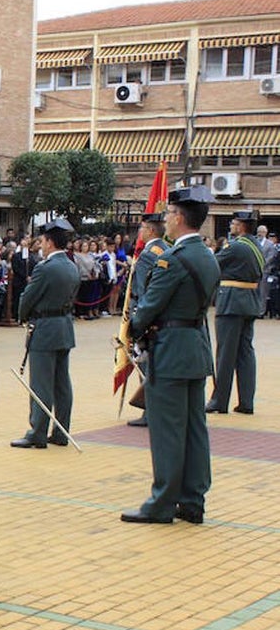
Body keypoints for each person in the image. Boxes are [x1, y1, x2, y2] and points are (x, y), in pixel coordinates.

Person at [122, 186, 220, 525]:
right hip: (195, 347)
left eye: (168, 215)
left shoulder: (172, 259)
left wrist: (133, 327)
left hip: (171, 351)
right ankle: (193, 500)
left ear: (178, 217)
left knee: (167, 430)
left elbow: (149, 306)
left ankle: (162, 503)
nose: (166, 220)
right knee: (194, 428)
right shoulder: (208, 255)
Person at [11, 219, 80, 449]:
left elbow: (28, 298)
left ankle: (37, 432)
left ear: (50, 242)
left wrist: (22, 316)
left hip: (45, 328)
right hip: (65, 327)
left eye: (42, 241)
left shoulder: (45, 267)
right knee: (62, 383)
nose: (40, 245)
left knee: (41, 384)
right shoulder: (71, 265)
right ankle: (62, 431)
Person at [206, 210, 264, 415]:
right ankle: (246, 402)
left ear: (241, 226)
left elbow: (211, 263)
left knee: (225, 354)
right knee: (245, 354)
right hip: (249, 302)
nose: (231, 225)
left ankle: (219, 401)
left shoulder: (236, 246)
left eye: (233, 223)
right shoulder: (256, 245)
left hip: (231, 302)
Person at [125, 213, 169, 428]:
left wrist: (138, 322)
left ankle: (149, 412)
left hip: (144, 313)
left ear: (151, 231)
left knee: (145, 363)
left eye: (142, 228)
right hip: (160, 316)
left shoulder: (149, 254)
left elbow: (143, 290)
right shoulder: (165, 249)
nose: (139, 232)